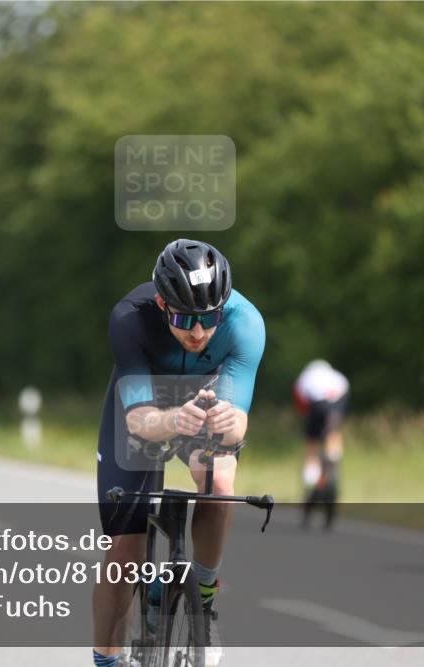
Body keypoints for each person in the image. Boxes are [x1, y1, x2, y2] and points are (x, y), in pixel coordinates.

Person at [93, 239, 265, 667]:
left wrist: (228, 421)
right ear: (161, 303)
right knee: (124, 558)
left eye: (210, 318)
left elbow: (238, 424)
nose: (198, 333)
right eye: (185, 319)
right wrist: (174, 419)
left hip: (205, 401)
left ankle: (203, 602)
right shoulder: (130, 318)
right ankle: (107, 661)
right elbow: (139, 421)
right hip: (144, 409)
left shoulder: (246, 323)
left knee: (219, 480)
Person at [292, 359, 349, 528]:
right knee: (333, 432)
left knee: (312, 446)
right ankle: (333, 455)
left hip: (316, 405)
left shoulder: (303, 379)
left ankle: (312, 472)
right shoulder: (338, 377)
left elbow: (303, 409)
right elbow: (345, 404)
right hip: (338, 401)